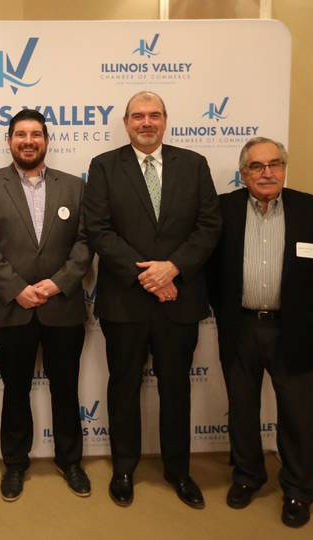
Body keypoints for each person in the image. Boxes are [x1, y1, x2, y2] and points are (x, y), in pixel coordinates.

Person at [83, 91, 221, 508]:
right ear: (126, 123)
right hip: (125, 301)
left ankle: (178, 471)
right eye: (138, 116)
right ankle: (124, 468)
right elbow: (99, 230)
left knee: (176, 389)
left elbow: (209, 225)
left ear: (166, 120)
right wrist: (150, 275)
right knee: (123, 385)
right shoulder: (105, 166)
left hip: (179, 298)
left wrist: (173, 268)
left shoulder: (194, 165)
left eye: (154, 115)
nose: (147, 122)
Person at [207, 137, 313, 528]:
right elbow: (209, 271)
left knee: (300, 416)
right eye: (256, 166)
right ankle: (248, 476)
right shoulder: (222, 210)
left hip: (296, 330)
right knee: (243, 411)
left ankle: (300, 491)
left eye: (274, 164)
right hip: (241, 327)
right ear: (243, 172)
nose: (266, 172)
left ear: (285, 168)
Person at [0, 109, 92, 501]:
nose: (28, 141)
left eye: (35, 134)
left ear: (46, 140)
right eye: (20, 134)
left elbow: (86, 242)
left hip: (63, 308)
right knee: (16, 390)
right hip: (12, 308)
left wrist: (57, 284)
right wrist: (17, 288)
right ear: (9, 141)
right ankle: (15, 464)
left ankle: (70, 460)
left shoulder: (75, 186)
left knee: (66, 388)